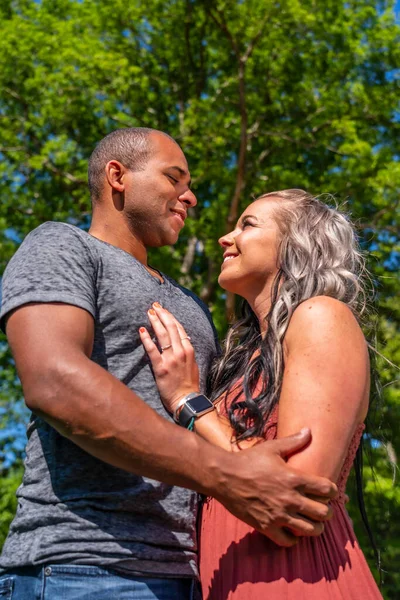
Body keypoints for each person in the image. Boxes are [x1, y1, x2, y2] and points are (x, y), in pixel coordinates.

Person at [0, 131, 337, 600]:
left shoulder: (194, 306)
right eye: (173, 178)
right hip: (83, 565)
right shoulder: (62, 246)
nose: (191, 196)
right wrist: (226, 475)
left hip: (192, 575)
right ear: (117, 177)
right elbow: (55, 381)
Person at [139, 189, 383, 599]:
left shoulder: (322, 316)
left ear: (297, 244)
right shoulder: (246, 359)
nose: (224, 238)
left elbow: (295, 496)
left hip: (301, 580)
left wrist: (190, 403)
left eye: (247, 225)